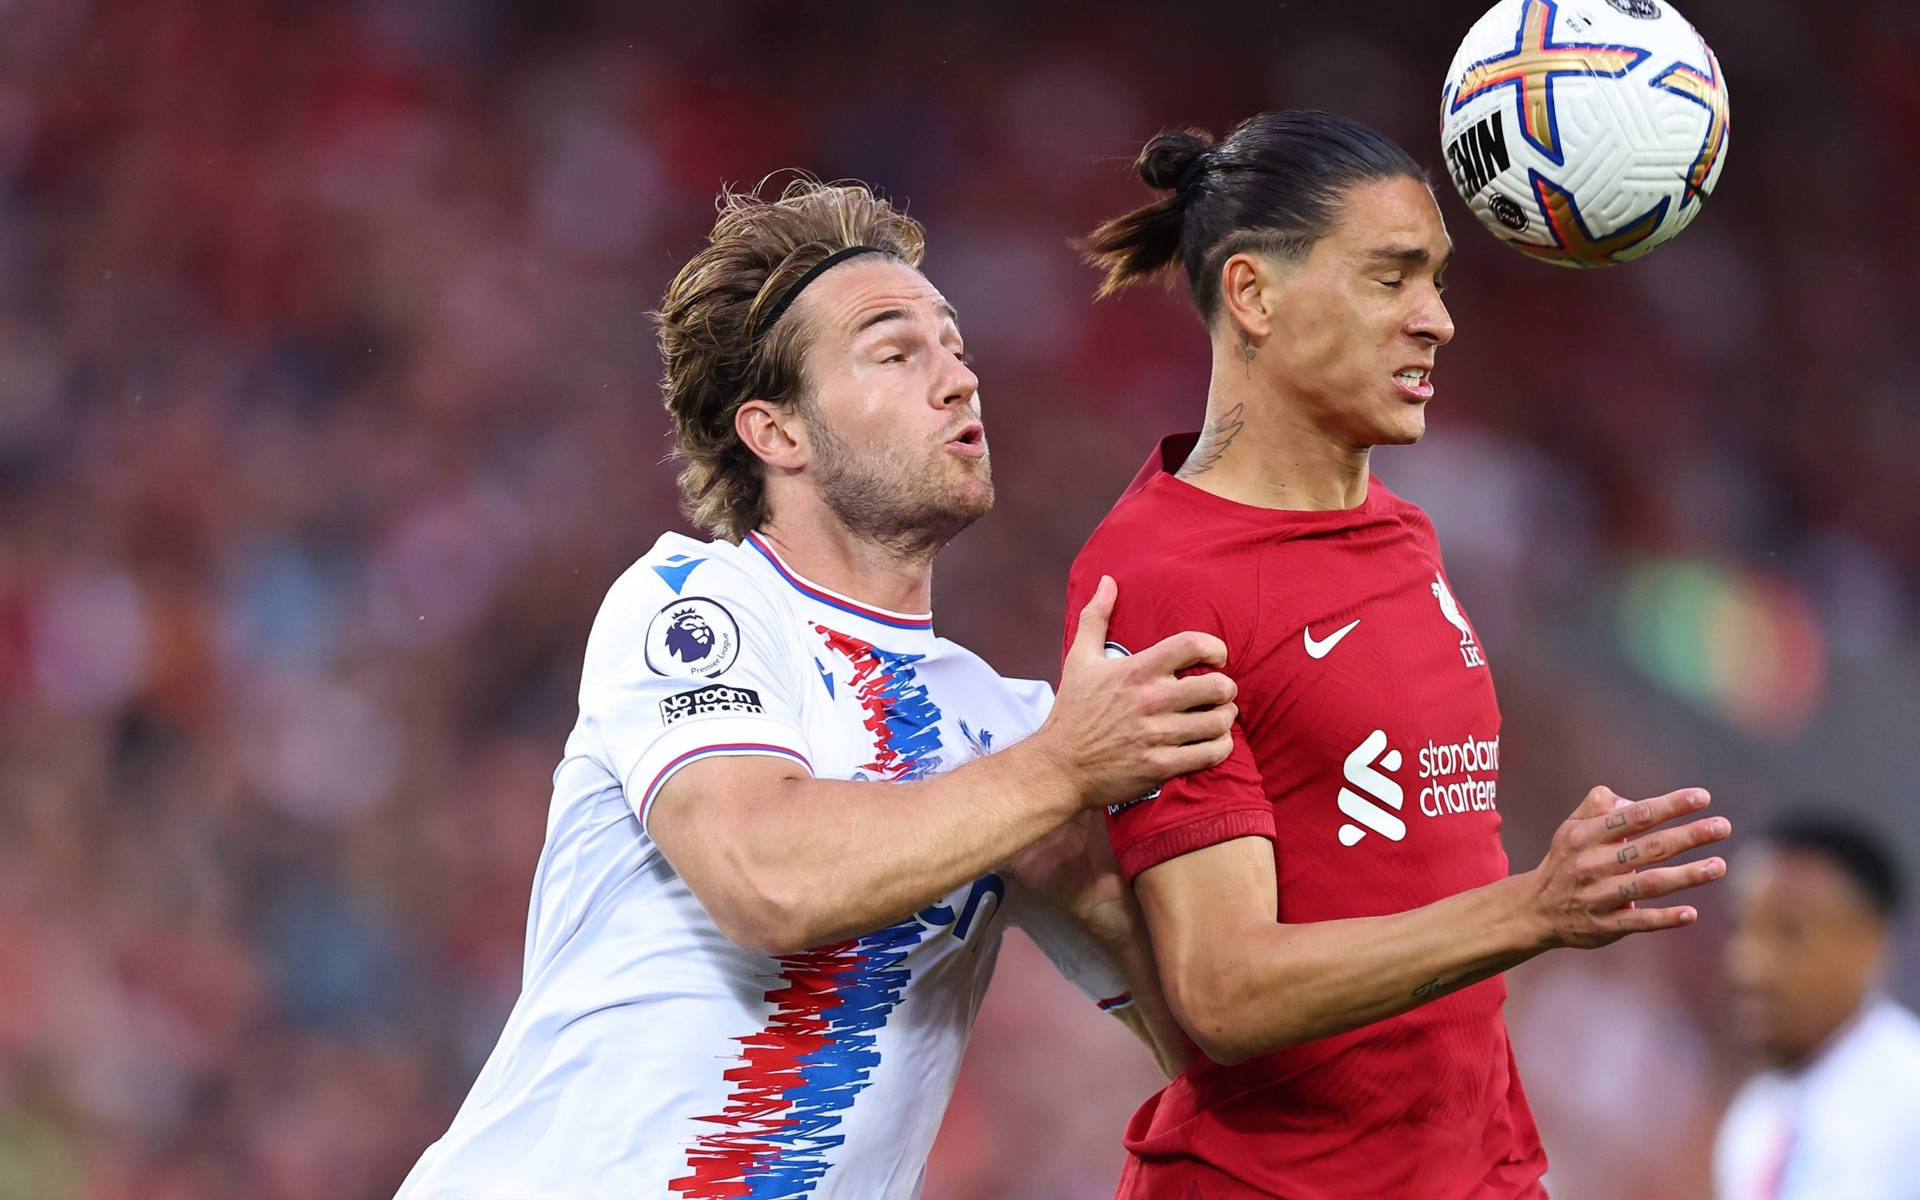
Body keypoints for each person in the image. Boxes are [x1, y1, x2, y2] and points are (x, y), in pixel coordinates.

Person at [397, 179, 1230, 1199]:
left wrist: (1102, 896)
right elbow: (767, 881)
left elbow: (1217, 1058)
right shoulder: (695, 601)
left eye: (955, 344)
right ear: (777, 433)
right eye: (895, 351)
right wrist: (1056, 773)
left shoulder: (1011, 729)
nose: (959, 379)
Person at [1061, 111, 1734, 1200]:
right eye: (1392, 279)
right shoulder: (1163, 573)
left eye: (1439, 281)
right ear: (1253, 296)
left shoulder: (1402, 533)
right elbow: (1222, 989)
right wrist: (1533, 910)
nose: (1439, 321)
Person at [1716, 812, 1920, 1199]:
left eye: (1789, 933)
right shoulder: (1753, 1121)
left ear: (1870, 941)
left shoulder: (1912, 1104)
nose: (1749, 965)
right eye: (1740, 927)